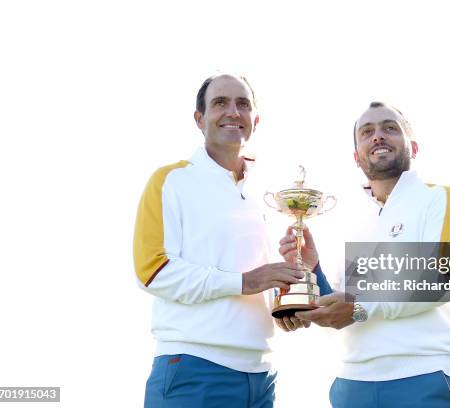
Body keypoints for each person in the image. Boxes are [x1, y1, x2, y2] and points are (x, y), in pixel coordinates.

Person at [133, 73, 317, 408]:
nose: (233, 111)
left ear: (255, 121)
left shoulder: (272, 192)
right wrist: (245, 282)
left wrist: (287, 305)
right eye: (220, 103)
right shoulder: (171, 180)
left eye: (242, 104)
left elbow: (269, 278)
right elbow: (153, 271)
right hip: (193, 369)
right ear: (199, 119)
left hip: (262, 376)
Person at [279, 102, 450, 408]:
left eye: (389, 128)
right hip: (351, 383)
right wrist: (312, 270)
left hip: (421, 376)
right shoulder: (349, 219)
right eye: (367, 132)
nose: (378, 136)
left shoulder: (439, 199)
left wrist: (359, 306)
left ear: (414, 147)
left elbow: (442, 280)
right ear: (357, 157)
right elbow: (341, 305)